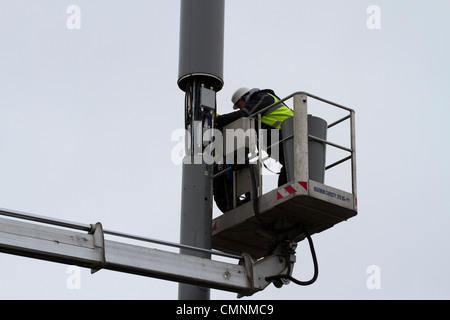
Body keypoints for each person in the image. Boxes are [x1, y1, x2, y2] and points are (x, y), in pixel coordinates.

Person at [216, 87, 293, 187]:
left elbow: (245, 113)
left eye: (240, 105)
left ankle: (284, 193)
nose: (241, 108)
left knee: (290, 166)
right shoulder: (256, 113)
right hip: (283, 138)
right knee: (289, 167)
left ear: (244, 97)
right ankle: (284, 193)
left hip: (289, 133)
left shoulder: (262, 97)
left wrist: (219, 119)